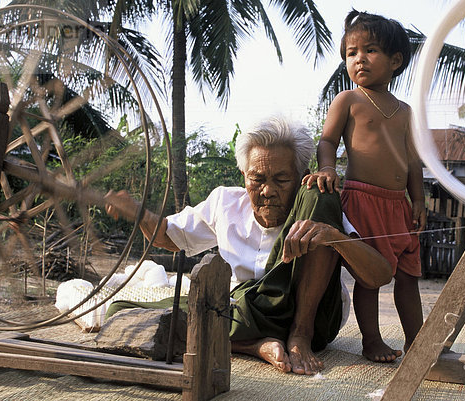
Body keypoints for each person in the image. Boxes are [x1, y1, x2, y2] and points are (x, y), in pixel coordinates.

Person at [105, 116, 392, 375]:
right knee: (124, 312)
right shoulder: (225, 202)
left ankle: (298, 335)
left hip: (311, 319)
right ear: (244, 175)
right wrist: (139, 213)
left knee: (322, 192)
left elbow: (379, 276)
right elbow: (168, 236)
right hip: (245, 313)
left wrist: (332, 236)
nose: (267, 191)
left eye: (281, 179)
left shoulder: (313, 201)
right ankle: (254, 345)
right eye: (257, 179)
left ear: (301, 174)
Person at [303, 11, 426, 363]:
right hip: (362, 201)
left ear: (395, 60)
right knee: (369, 278)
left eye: (369, 50)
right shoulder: (348, 101)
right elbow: (327, 141)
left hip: (398, 205)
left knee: (408, 276)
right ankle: (371, 341)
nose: (358, 59)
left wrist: (417, 200)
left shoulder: (404, 112)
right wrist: (327, 168)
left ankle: (419, 341)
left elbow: (413, 161)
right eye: (351, 53)